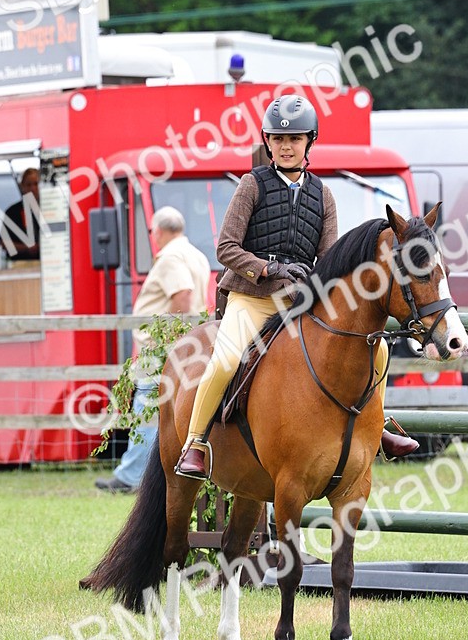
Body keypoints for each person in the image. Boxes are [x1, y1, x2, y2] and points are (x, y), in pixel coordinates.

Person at [175, 94, 419, 479]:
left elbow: (330, 260)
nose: (286, 146)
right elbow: (226, 248)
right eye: (278, 139)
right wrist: (268, 267)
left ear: (309, 142)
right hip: (251, 298)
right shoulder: (250, 185)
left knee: (381, 348)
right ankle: (196, 443)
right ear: (268, 142)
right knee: (224, 359)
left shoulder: (323, 194)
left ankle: (380, 427)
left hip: (300, 302)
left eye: (295, 139)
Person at [95, 206, 210, 493]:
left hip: (163, 349)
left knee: (146, 411)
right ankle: (148, 473)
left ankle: (131, 476)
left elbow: (182, 295)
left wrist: (167, 337)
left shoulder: (170, 257)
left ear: (157, 232)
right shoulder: (196, 254)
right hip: (188, 345)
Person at [2, 168, 41, 261]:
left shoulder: (50, 209)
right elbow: (4, 243)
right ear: (22, 187)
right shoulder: (12, 212)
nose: (33, 188)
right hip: (19, 264)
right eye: (28, 185)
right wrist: (26, 248)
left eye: (36, 184)